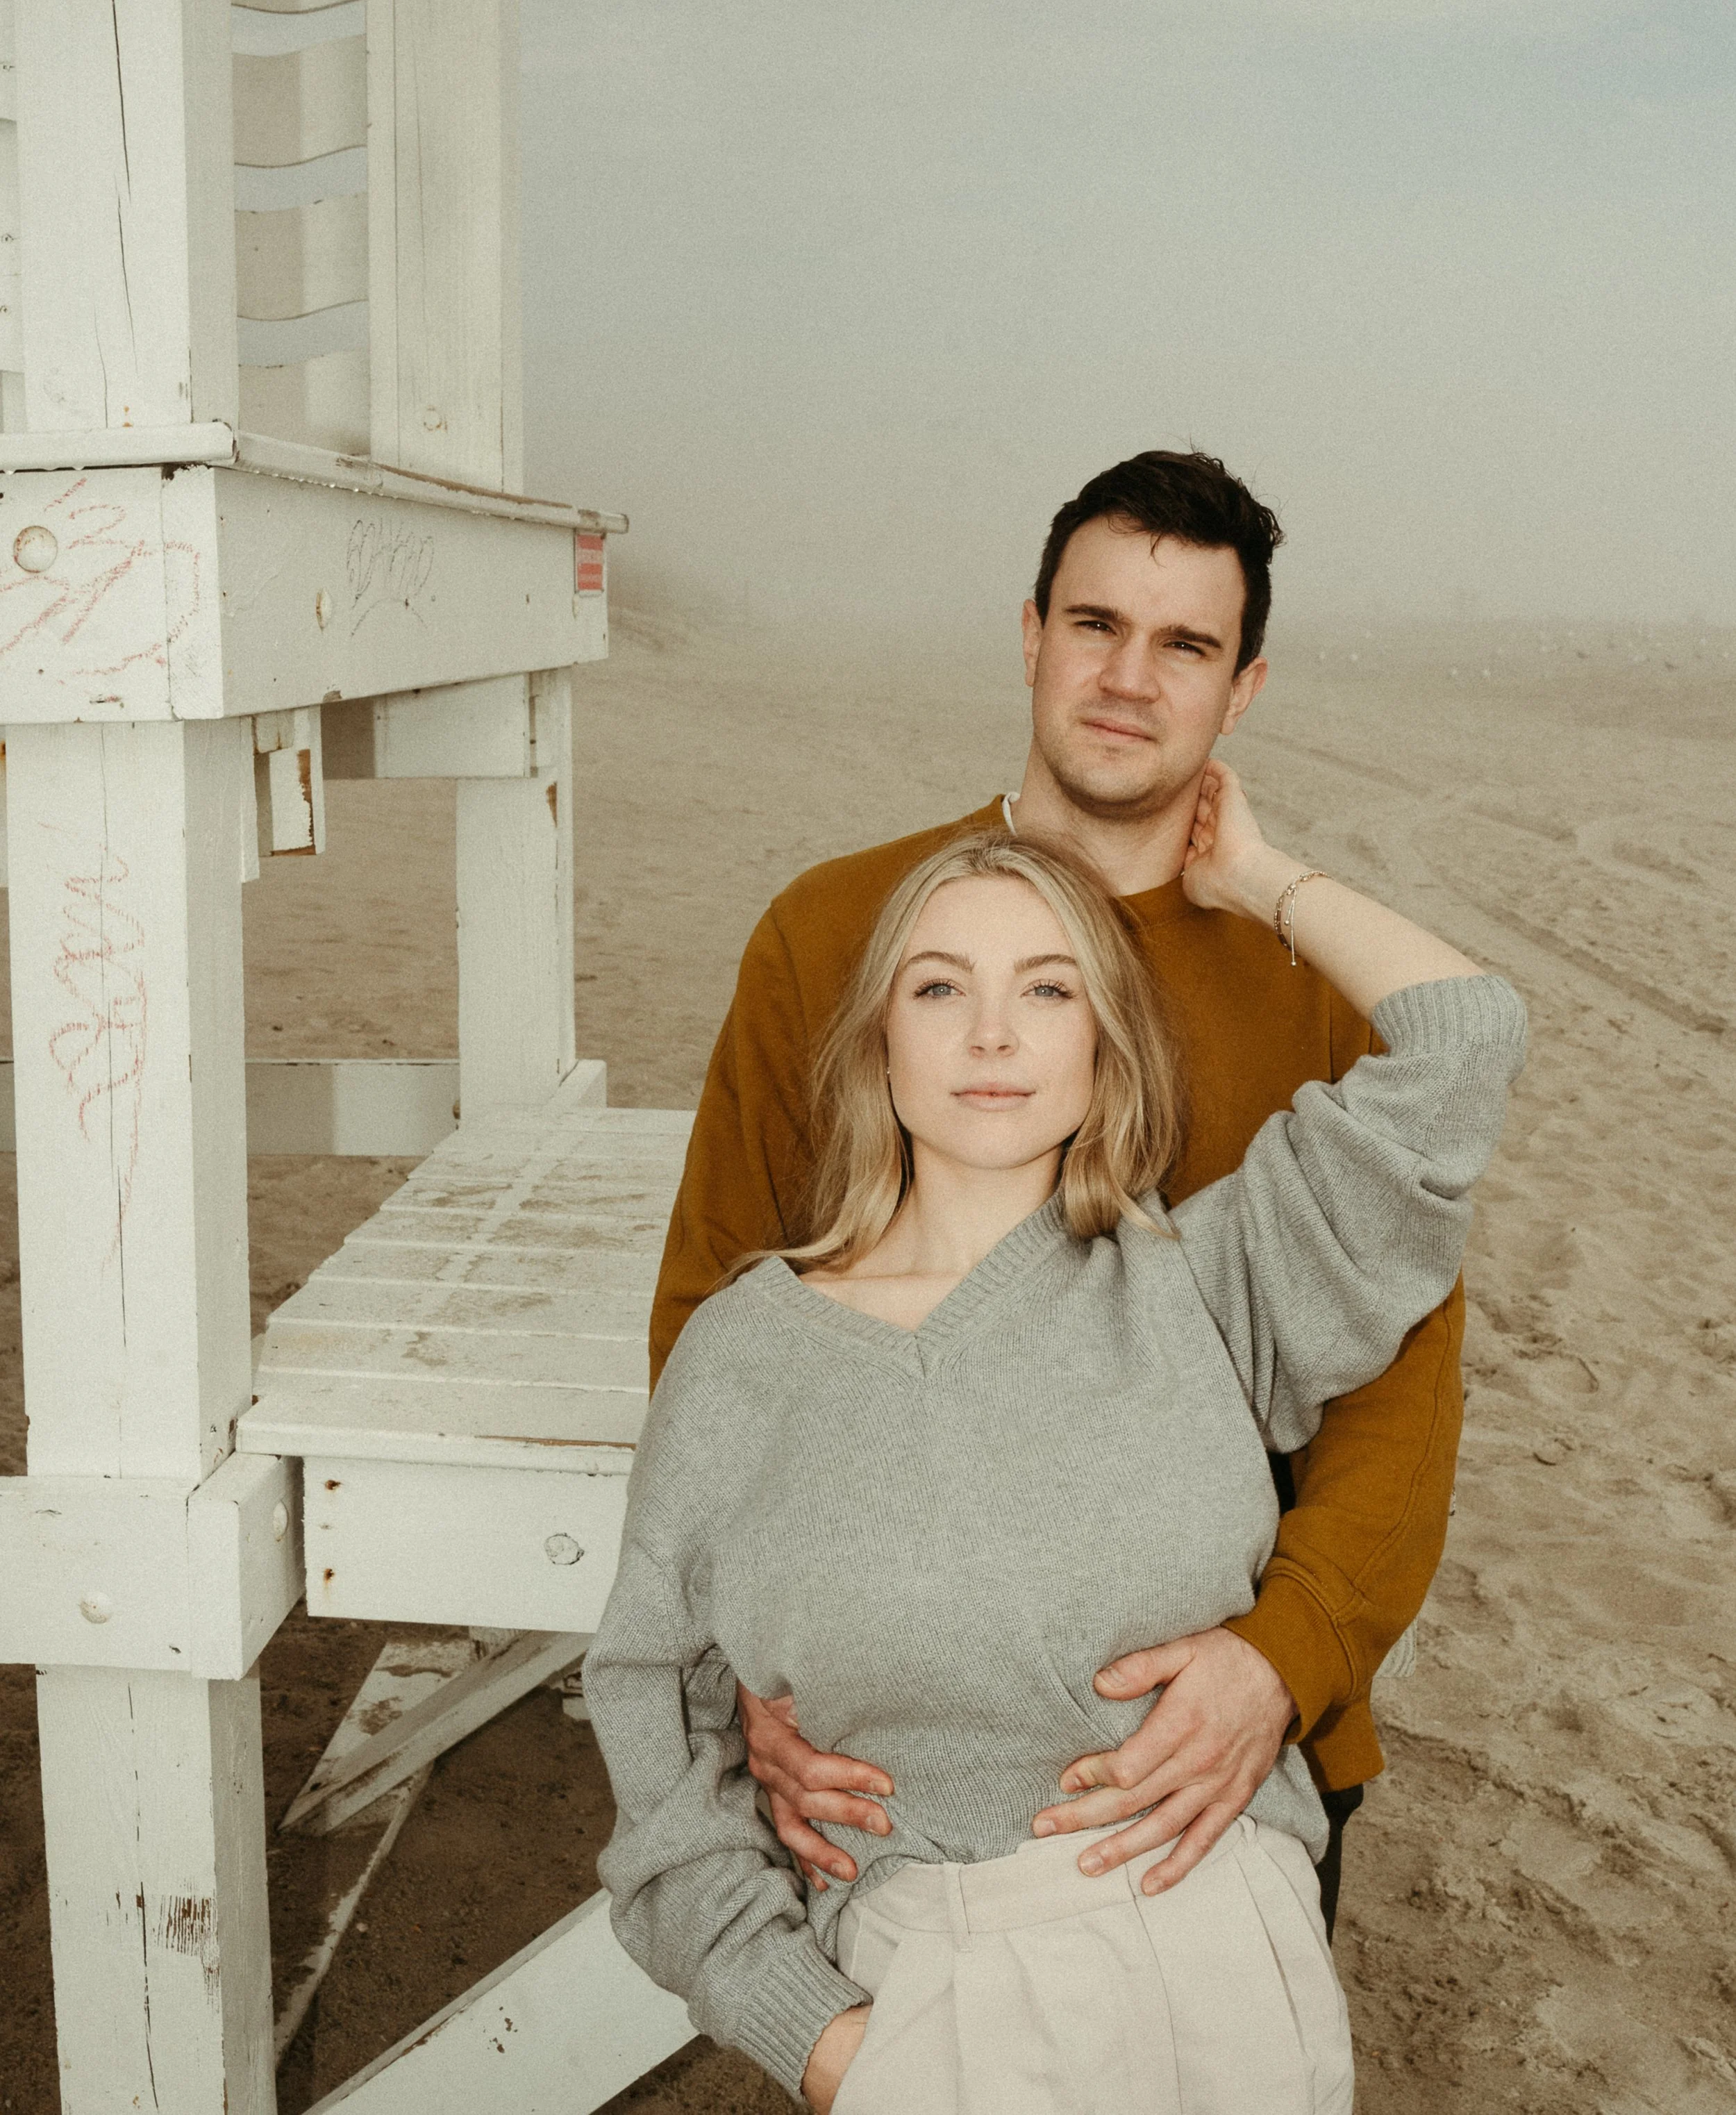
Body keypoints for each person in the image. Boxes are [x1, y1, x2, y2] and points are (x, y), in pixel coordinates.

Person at [587, 792, 1526, 2111]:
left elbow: (1467, 1034)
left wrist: (1255, 874)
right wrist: (819, 2036)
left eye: (1047, 987)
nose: (991, 1033)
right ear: (879, 1043)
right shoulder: (745, 1357)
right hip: (932, 1998)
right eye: (938, 987)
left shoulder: (1203, 1281)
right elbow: (654, 1732)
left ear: (1104, 1045)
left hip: (1230, 1967)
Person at [649, 449, 1464, 1929]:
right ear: (1029, 636)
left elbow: (1396, 1387)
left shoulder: (1316, 994)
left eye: (1184, 646)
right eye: (1093, 625)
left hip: (1207, 1734)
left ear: (1243, 688)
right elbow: (713, 1311)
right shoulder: (831, 931)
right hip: (889, 1733)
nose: (1128, 678)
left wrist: (1280, 1659)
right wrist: (736, 1672)